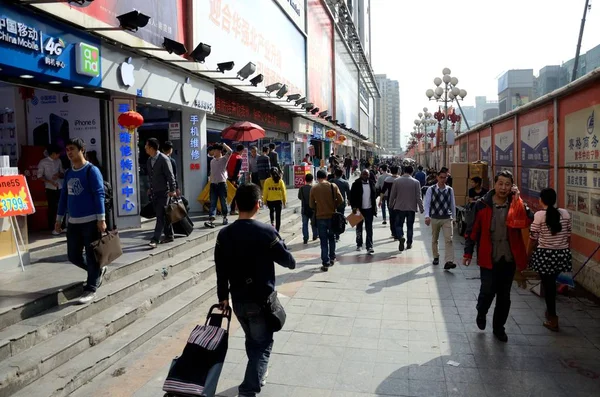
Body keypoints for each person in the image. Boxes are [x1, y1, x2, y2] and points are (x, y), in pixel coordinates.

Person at [215, 184, 296, 397]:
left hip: (238, 300)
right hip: (261, 300)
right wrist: (281, 242)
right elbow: (289, 262)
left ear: (236, 204)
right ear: (258, 204)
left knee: (252, 340)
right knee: (262, 344)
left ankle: (257, 375)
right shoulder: (266, 231)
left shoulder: (224, 234)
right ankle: (248, 389)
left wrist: (223, 297)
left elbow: (220, 270)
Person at [464, 170, 533, 342]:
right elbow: (472, 230)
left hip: (509, 259)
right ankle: (481, 311)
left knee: (504, 296)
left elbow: (529, 218)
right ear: (494, 184)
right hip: (489, 257)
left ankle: (498, 327)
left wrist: (519, 200)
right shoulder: (482, 205)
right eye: (500, 183)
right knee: (487, 291)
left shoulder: (515, 203)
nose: (503, 188)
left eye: (507, 184)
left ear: (512, 187)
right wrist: (467, 252)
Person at [55, 138, 106, 305]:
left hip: (91, 221)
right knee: (73, 256)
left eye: (72, 149)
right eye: (67, 149)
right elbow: (63, 197)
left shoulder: (91, 171)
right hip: (73, 223)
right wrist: (59, 218)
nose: (69, 152)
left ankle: (91, 288)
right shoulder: (69, 173)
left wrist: (101, 218)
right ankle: (97, 272)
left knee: (92, 257)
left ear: (81, 150)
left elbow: (99, 194)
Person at [527, 188, 572, 331]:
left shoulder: (539, 215)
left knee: (549, 286)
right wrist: (564, 250)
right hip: (562, 254)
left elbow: (533, 238)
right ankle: (550, 313)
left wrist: (527, 255)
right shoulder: (564, 213)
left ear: (541, 200)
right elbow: (569, 235)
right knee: (551, 284)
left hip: (545, 255)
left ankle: (553, 318)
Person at [145, 138, 177, 248]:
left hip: (165, 192)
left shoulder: (164, 159)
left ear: (152, 148)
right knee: (163, 215)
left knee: (160, 215)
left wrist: (172, 190)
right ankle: (170, 235)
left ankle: (155, 239)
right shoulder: (149, 160)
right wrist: (150, 187)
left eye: (146, 146)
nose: (145, 148)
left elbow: (170, 175)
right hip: (155, 192)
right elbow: (150, 176)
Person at [310, 170, 344, 271]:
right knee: (332, 238)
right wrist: (334, 206)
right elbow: (341, 200)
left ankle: (325, 262)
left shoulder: (314, 188)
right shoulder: (333, 186)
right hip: (332, 216)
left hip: (320, 217)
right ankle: (332, 257)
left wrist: (319, 207)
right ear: (326, 176)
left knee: (323, 241)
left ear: (317, 177)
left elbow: (311, 205)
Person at [424, 169, 457, 270]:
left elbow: (452, 204)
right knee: (435, 239)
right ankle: (436, 256)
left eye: (445, 177)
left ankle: (449, 261)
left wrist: (454, 218)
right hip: (435, 218)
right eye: (441, 177)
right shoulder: (431, 189)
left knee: (449, 239)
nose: (443, 179)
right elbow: (427, 203)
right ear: (437, 177)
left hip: (447, 218)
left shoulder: (450, 190)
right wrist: (427, 215)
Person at [388, 165, 424, 251]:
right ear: (412, 172)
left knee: (398, 225)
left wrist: (390, 205)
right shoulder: (416, 182)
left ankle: (401, 236)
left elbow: (393, 195)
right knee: (410, 226)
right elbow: (418, 197)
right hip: (411, 208)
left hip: (399, 207)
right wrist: (421, 208)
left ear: (404, 171)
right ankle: (409, 243)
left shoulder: (397, 181)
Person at [37, 144, 65, 235]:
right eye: (57, 154)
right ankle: (53, 227)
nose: (59, 155)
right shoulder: (43, 162)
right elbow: (39, 176)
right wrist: (49, 181)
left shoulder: (59, 161)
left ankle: (62, 226)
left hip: (59, 185)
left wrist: (59, 175)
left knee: (61, 206)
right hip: (50, 187)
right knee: (52, 207)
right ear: (53, 153)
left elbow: (62, 172)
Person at [205, 142, 232, 228]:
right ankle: (211, 219)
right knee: (213, 202)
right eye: (213, 150)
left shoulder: (224, 159)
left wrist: (223, 144)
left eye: (215, 150)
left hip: (221, 184)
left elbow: (230, 151)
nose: (214, 152)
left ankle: (224, 217)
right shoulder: (212, 160)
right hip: (213, 184)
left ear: (220, 151)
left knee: (223, 202)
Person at [350, 169, 377, 254]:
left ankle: (369, 246)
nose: (365, 176)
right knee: (359, 227)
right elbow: (351, 197)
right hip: (358, 209)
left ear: (369, 175)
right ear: (361, 175)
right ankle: (359, 244)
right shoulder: (356, 184)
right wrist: (353, 207)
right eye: (364, 174)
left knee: (369, 228)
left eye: (367, 174)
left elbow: (374, 195)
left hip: (369, 209)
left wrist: (374, 207)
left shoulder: (372, 183)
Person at [380, 165, 400, 239]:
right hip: (399, 201)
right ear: (397, 171)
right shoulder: (400, 179)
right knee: (398, 217)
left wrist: (380, 200)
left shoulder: (387, 179)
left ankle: (394, 233)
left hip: (390, 200)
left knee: (392, 217)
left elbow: (383, 190)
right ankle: (399, 232)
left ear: (390, 171)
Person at [331, 167, 350, 241]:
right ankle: (337, 234)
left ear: (335, 174)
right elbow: (348, 193)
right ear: (342, 174)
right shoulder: (345, 182)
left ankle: (333, 233)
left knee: (332, 218)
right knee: (340, 218)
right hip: (341, 203)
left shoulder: (331, 181)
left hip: (332, 203)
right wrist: (349, 200)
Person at [298, 173, 317, 244]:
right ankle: (315, 235)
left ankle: (305, 238)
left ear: (305, 180)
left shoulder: (301, 188)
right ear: (312, 180)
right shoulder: (314, 188)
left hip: (304, 208)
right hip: (313, 208)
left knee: (305, 224)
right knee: (313, 223)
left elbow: (299, 197)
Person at [227, 144, 244, 215]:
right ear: (242, 150)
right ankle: (233, 210)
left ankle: (232, 209)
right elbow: (237, 170)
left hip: (229, 177)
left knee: (231, 193)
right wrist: (234, 179)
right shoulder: (239, 158)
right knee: (236, 194)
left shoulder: (231, 156)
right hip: (235, 178)